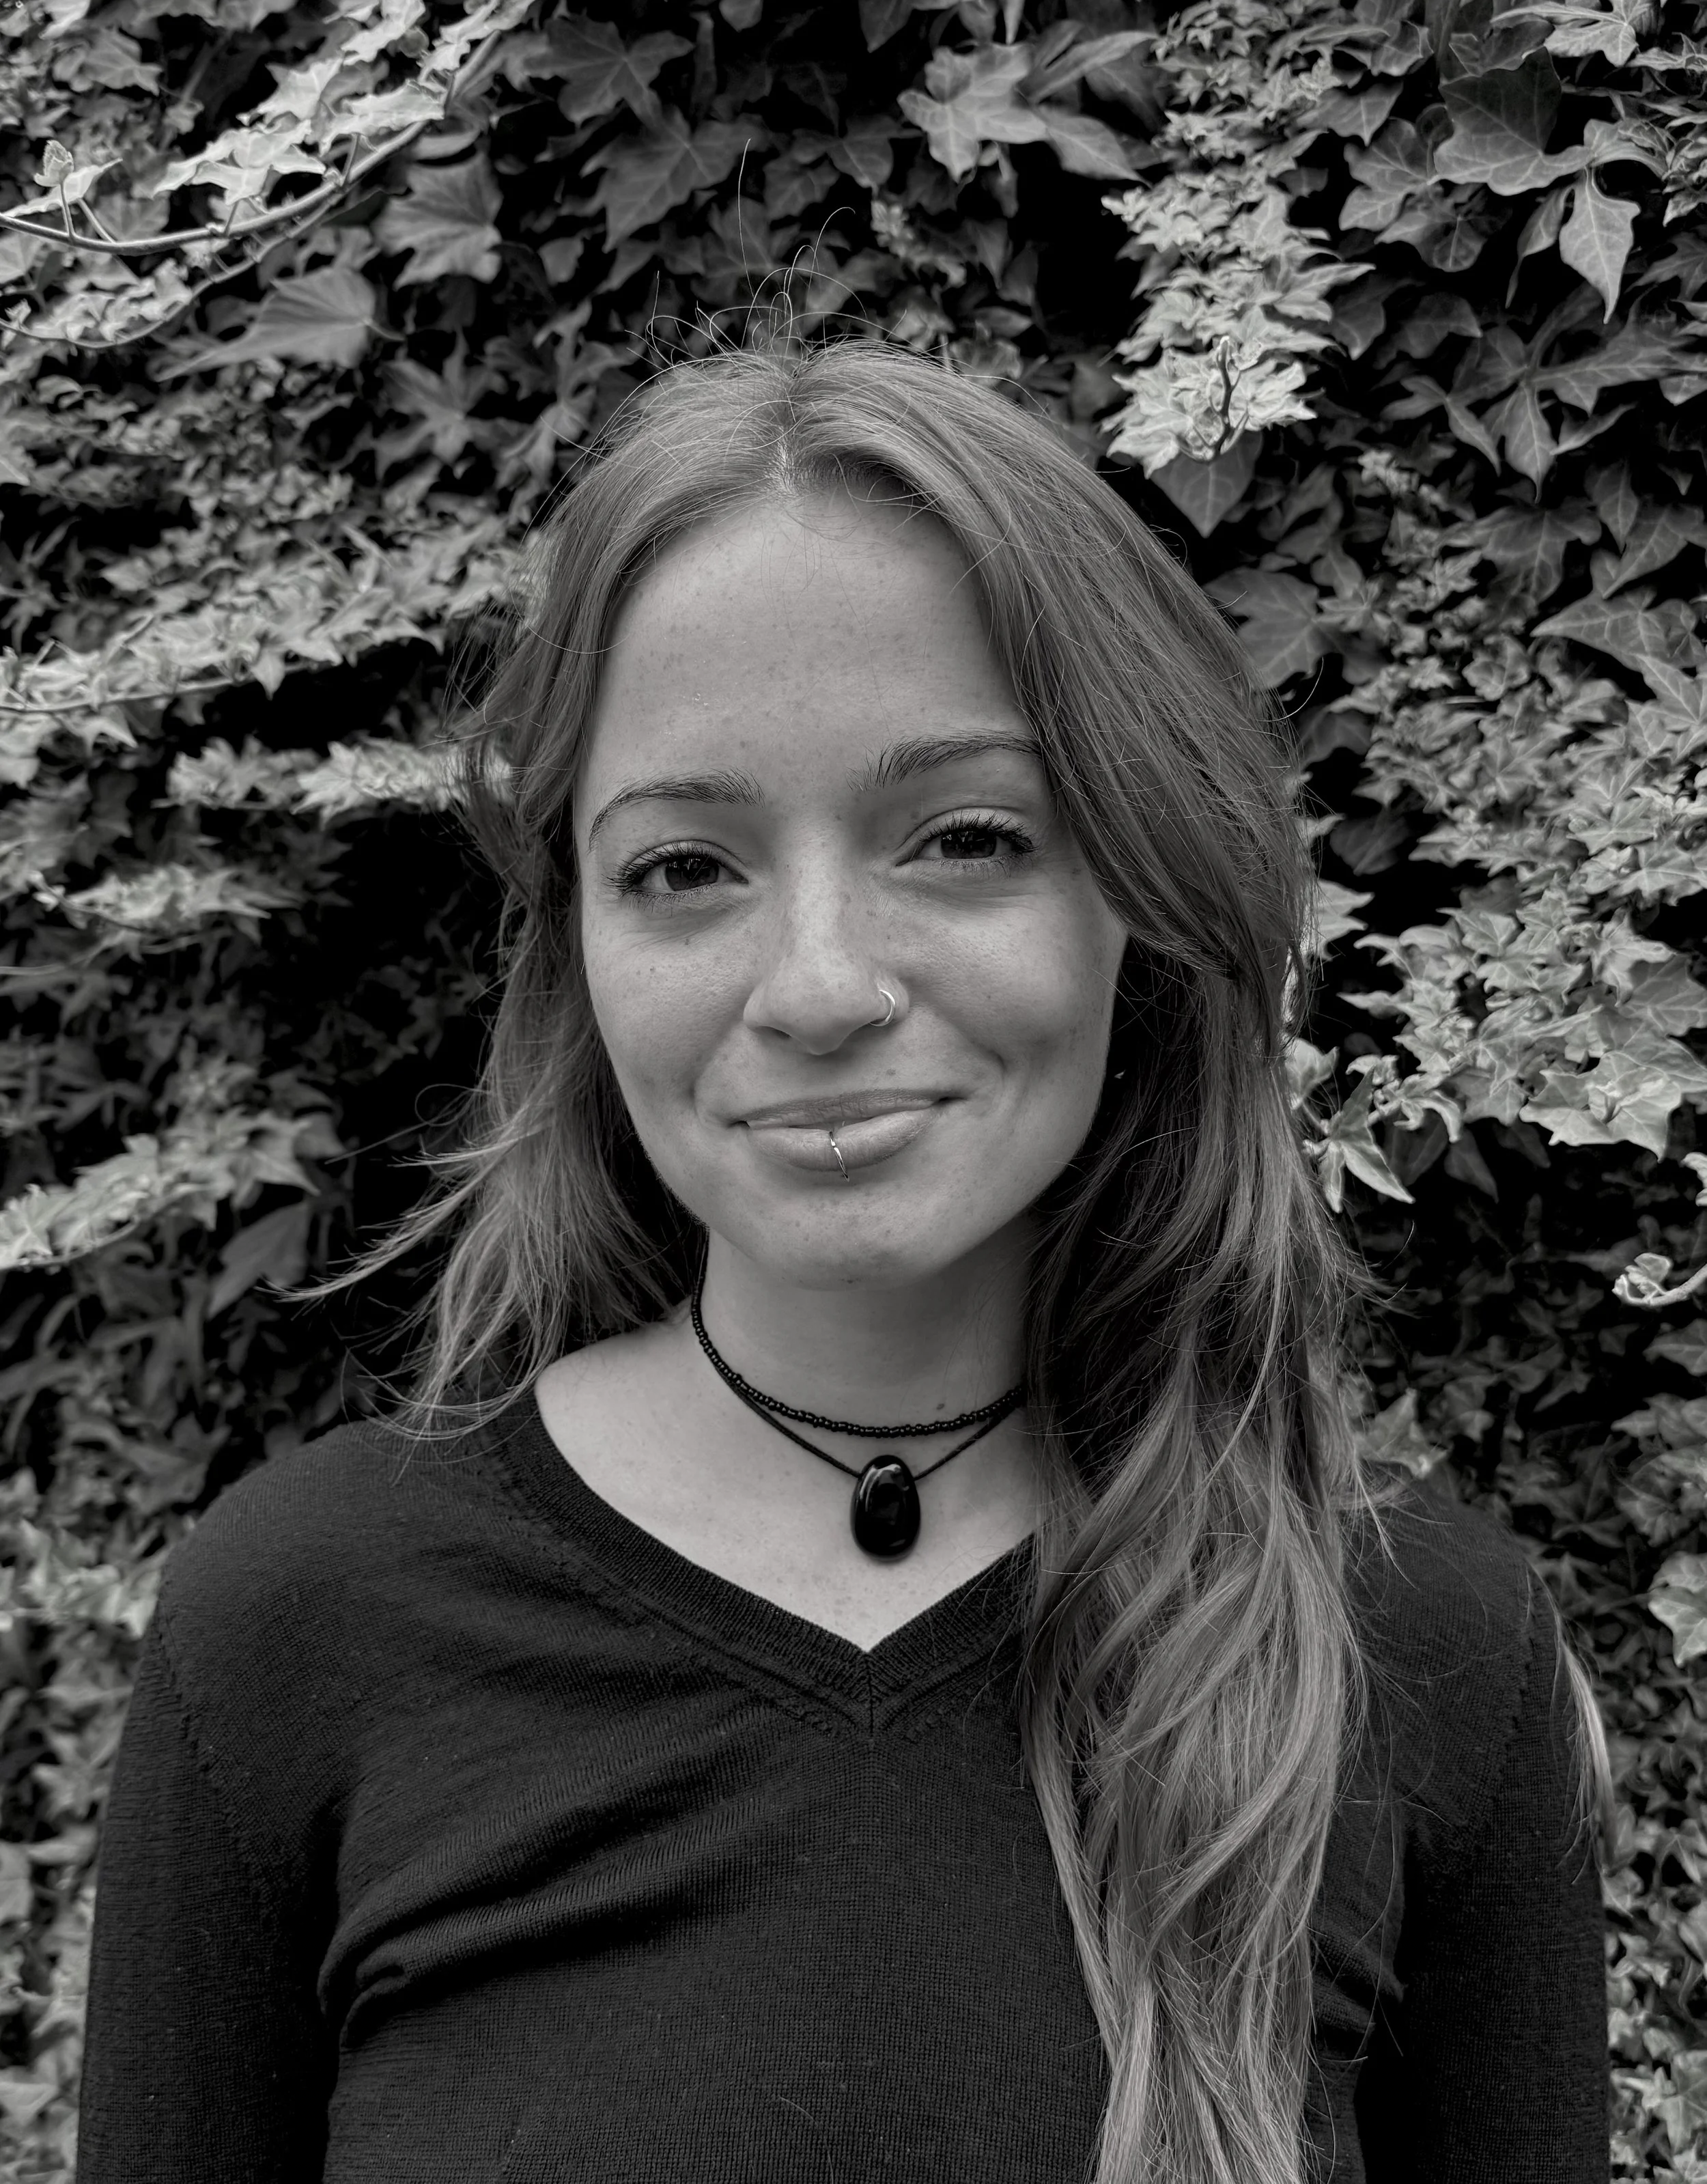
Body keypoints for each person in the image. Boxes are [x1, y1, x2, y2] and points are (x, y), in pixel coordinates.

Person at [75, 336, 1612, 2184]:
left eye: (962, 838)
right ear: (576, 934)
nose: (816, 985)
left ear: (1137, 885)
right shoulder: (292, 1630)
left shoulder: (1428, 1658)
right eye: (683, 867)